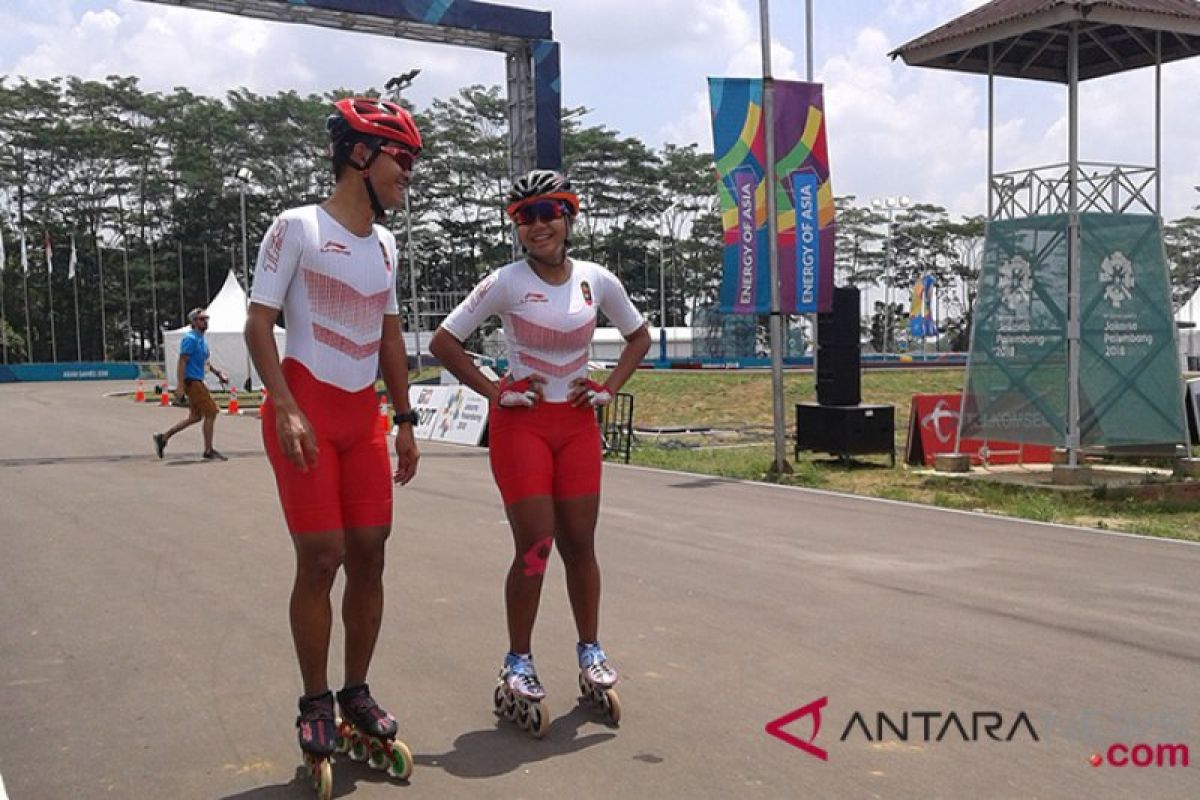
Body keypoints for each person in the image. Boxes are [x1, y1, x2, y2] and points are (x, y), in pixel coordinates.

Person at [429, 169, 650, 734]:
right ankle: (517, 661)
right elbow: (444, 341)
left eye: (547, 211)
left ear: (568, 215)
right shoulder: (504, 281)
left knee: (580, 544)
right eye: (524, 217)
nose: (537, 225)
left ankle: (590, 650)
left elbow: (638, 336)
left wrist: (608, 388)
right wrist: (495, 391)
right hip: (522, 428)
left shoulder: (596, 281)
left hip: (575, 426)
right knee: (537, 545)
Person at [244, 96, 422, 787]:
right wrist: (284, 407)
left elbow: (388, 335)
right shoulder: (296, 227)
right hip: (306, 408)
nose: (409, 175)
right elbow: (260, 324)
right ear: (359, 155)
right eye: (401, 161)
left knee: (371, 555)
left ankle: (355, 691)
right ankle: (315, 699)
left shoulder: (386, 244)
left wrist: (404, 421)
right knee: (322, 558)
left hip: (363, 418)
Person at [153, 307, 228, 461]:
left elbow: (205, 362)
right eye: (201, 319)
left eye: (206, 319)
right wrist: (180, 385)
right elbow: (182, 362)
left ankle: (163, 437)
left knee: (195, 417)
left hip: (197, 380)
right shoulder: (190, 339)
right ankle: (208, 450)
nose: (205, 322)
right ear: (193, 322)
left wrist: (218, 373)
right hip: (192, 381)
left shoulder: (202, 341)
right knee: (212, 411)